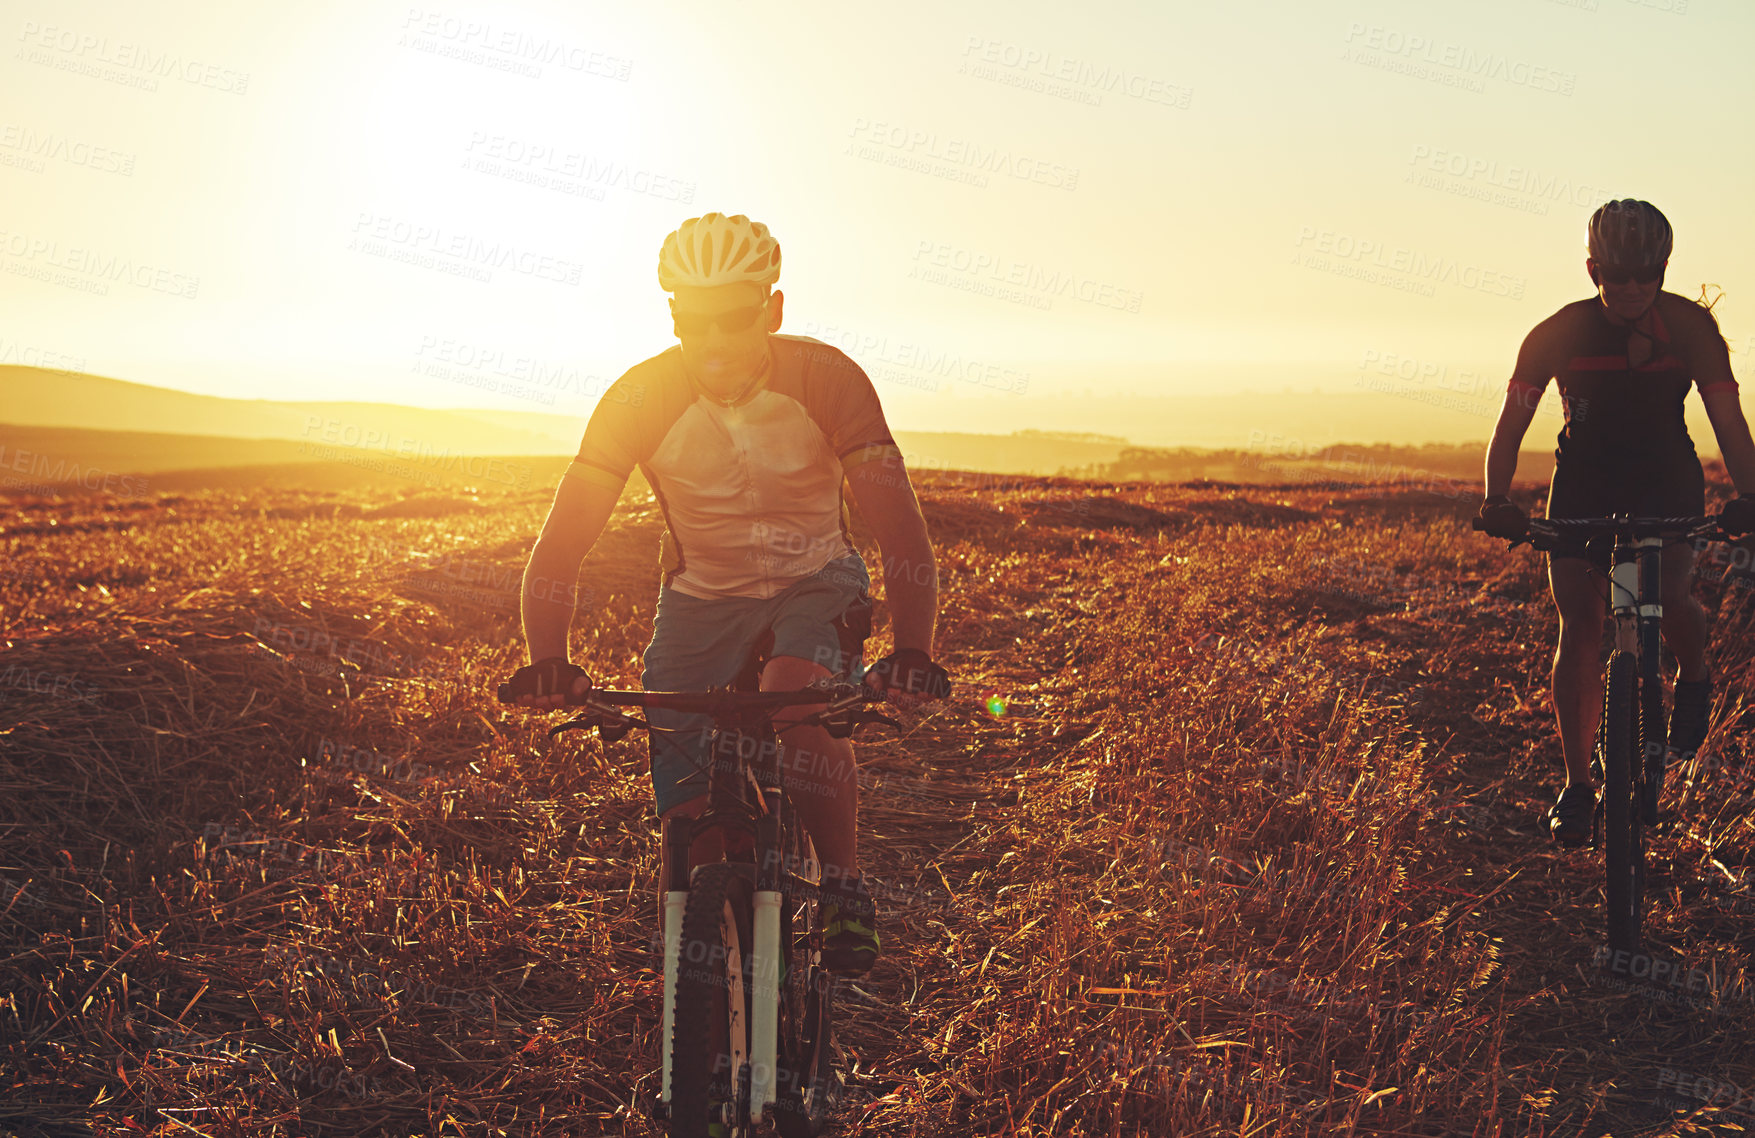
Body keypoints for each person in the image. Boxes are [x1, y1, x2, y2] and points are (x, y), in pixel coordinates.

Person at [500, 212, 950, 973]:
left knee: (795, 698)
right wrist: (548, 658)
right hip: (699, 601)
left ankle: (843, 885)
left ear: (771, 310)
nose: (712, 342)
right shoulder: (638, 397)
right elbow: (564, 541)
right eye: (690, 320)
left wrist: (912, 651)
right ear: (671, 315)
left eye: (734, 318)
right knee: (689, 825)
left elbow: (901, 536)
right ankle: (707, 1000)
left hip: (816, 578)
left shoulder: (828, 379)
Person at [1479, 199, 1755, 846]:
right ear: (1591, 270)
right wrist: (1495, 498)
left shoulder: (1690, 328)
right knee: (1579, 624)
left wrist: (1748, 494)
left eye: (1646, 273)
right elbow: (1511, 421)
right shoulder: (1556, 333)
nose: (1631, 287)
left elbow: (1726, 421)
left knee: (1670, 593)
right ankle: (1578, 787)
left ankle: (1693, 676)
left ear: (1662, 268)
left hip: (1666, 474)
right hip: (1583, 480)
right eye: (1616, 274)